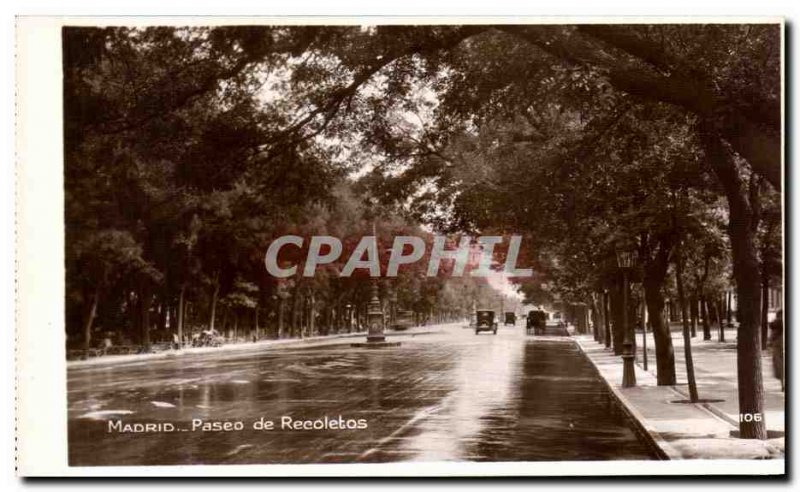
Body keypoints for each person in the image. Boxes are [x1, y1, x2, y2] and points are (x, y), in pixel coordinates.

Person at [769, 310, 784, 391]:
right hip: (779, 346)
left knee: (780, 367)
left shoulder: (776, 324)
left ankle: (783, 384)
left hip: (778, 347)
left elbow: (772, 337)